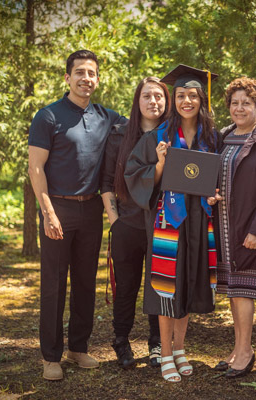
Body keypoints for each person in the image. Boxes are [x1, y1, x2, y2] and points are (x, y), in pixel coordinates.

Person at [28, 50, 126, 381]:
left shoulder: (107, 116)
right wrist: (48, 213)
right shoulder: (48, 116)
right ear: (67, 77)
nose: (86, 78)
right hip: (58, 207)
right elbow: (35, 168)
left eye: (92, 73)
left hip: (91, 210)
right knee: (54, 284)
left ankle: (78, 348)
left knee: (85, 282)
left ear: (98, 80)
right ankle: (50, 356)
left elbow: (143, 125)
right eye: (80, 72)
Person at [124, 64, 220, 383]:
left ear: (201, 99)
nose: (186, 101)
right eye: (180, 95)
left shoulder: (211, 136)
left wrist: (215, 196)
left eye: (193, 95)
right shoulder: (158, 136)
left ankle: (179, 348)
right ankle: (165, 352)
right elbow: (134, 174)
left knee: (189, 282)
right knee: (166, 288)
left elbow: (218, 178)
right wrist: (161, 164)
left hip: (199, 221)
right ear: (173, 99)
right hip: (169, 221)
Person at [207, 77, 256, 378]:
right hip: (224, 228)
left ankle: (246, 351)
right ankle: (237, 348)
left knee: (243, 293)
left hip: (250, 229)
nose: (240, 108)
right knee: (233, 291)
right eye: (235, 103)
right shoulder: (223, 137)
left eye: (247, 103)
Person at [100, 77, 170, 369]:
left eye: (159, 96)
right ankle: (121, 340)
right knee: (126, 285)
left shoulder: (173, 134)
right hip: (127, 222)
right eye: (147, 96)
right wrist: (115, 220)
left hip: (162, 223)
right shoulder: (119, 135)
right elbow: (105, 182)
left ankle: (157, 343)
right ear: (137, 101)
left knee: (159, 285)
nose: (153, 101)